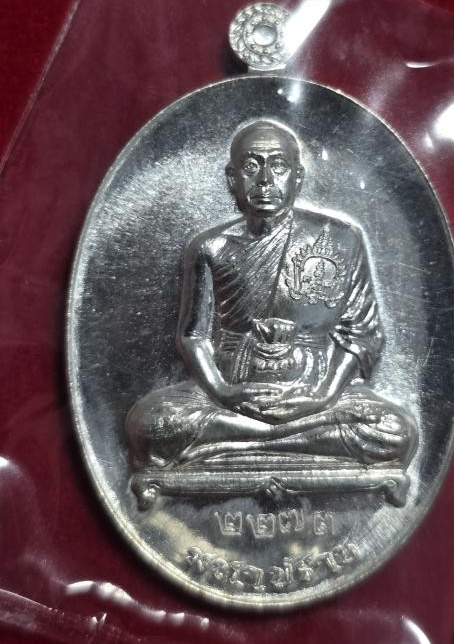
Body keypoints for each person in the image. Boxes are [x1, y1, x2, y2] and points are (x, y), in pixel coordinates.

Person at [126, 120, 417, 474]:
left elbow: (362, 334)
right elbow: (194, 336)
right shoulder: (210, 247)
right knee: (150, 425)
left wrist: (323, 396)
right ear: (232, 179)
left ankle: (240, 445)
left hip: (316, 390)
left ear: (298, 176)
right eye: (251, 166)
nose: (265, 180)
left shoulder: (342, 239)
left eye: (278, 166)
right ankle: (293, 442)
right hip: (234, 393)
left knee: (394, 431)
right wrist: (223, 392)